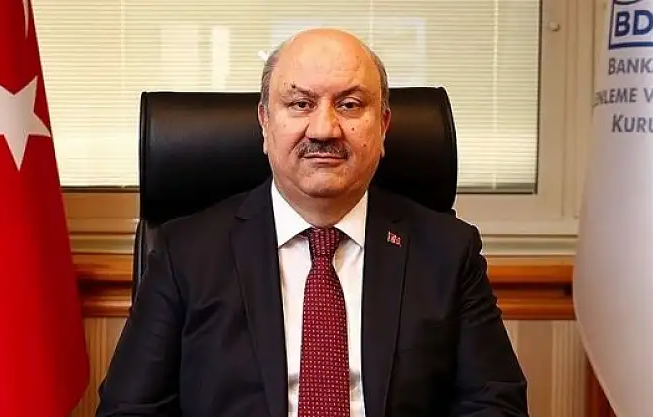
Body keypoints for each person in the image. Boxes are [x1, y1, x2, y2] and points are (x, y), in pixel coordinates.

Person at [96, 28, 529, 417]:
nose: (324, 129)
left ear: (383, 127)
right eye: (300, 104)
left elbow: (496, 404)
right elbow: (129, 409)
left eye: (350, 105)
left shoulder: (447, 251)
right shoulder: (186, 252)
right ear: (265, 122)